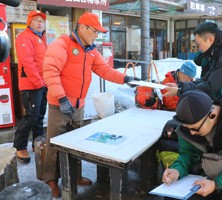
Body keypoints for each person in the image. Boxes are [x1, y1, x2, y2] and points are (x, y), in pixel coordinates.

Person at [42, 12, 138, 198]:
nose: (96, 35)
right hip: (59, 104)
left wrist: (125, 78)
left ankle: (75, 175)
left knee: (76, 143)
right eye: (95, 31)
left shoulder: (91, 50)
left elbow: (104, 70)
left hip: (78, 105)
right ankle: (51, 180)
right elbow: (50, 72)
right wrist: (62, 98)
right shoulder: (62, 44)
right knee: (54, 143)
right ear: (84, 28)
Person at [162, 90, 222, 200]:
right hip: (201, 178)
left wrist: (216, 184)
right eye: (187, 128)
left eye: (195, 129)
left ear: (212, 115)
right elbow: (188, 155)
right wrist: (177, 170)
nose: (191, 133)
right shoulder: (188, 127)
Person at [13, 10, 48, 163]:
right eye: (36, 20)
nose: (40, 22)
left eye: (42, 20)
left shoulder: (41, 38)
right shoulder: (24, 37)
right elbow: (27, 63)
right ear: (30, 22)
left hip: (42, 83)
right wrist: (39, 82)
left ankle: (37, 142)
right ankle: (19, 146)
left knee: (40, 114)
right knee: (30, 115)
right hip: (31, 84)